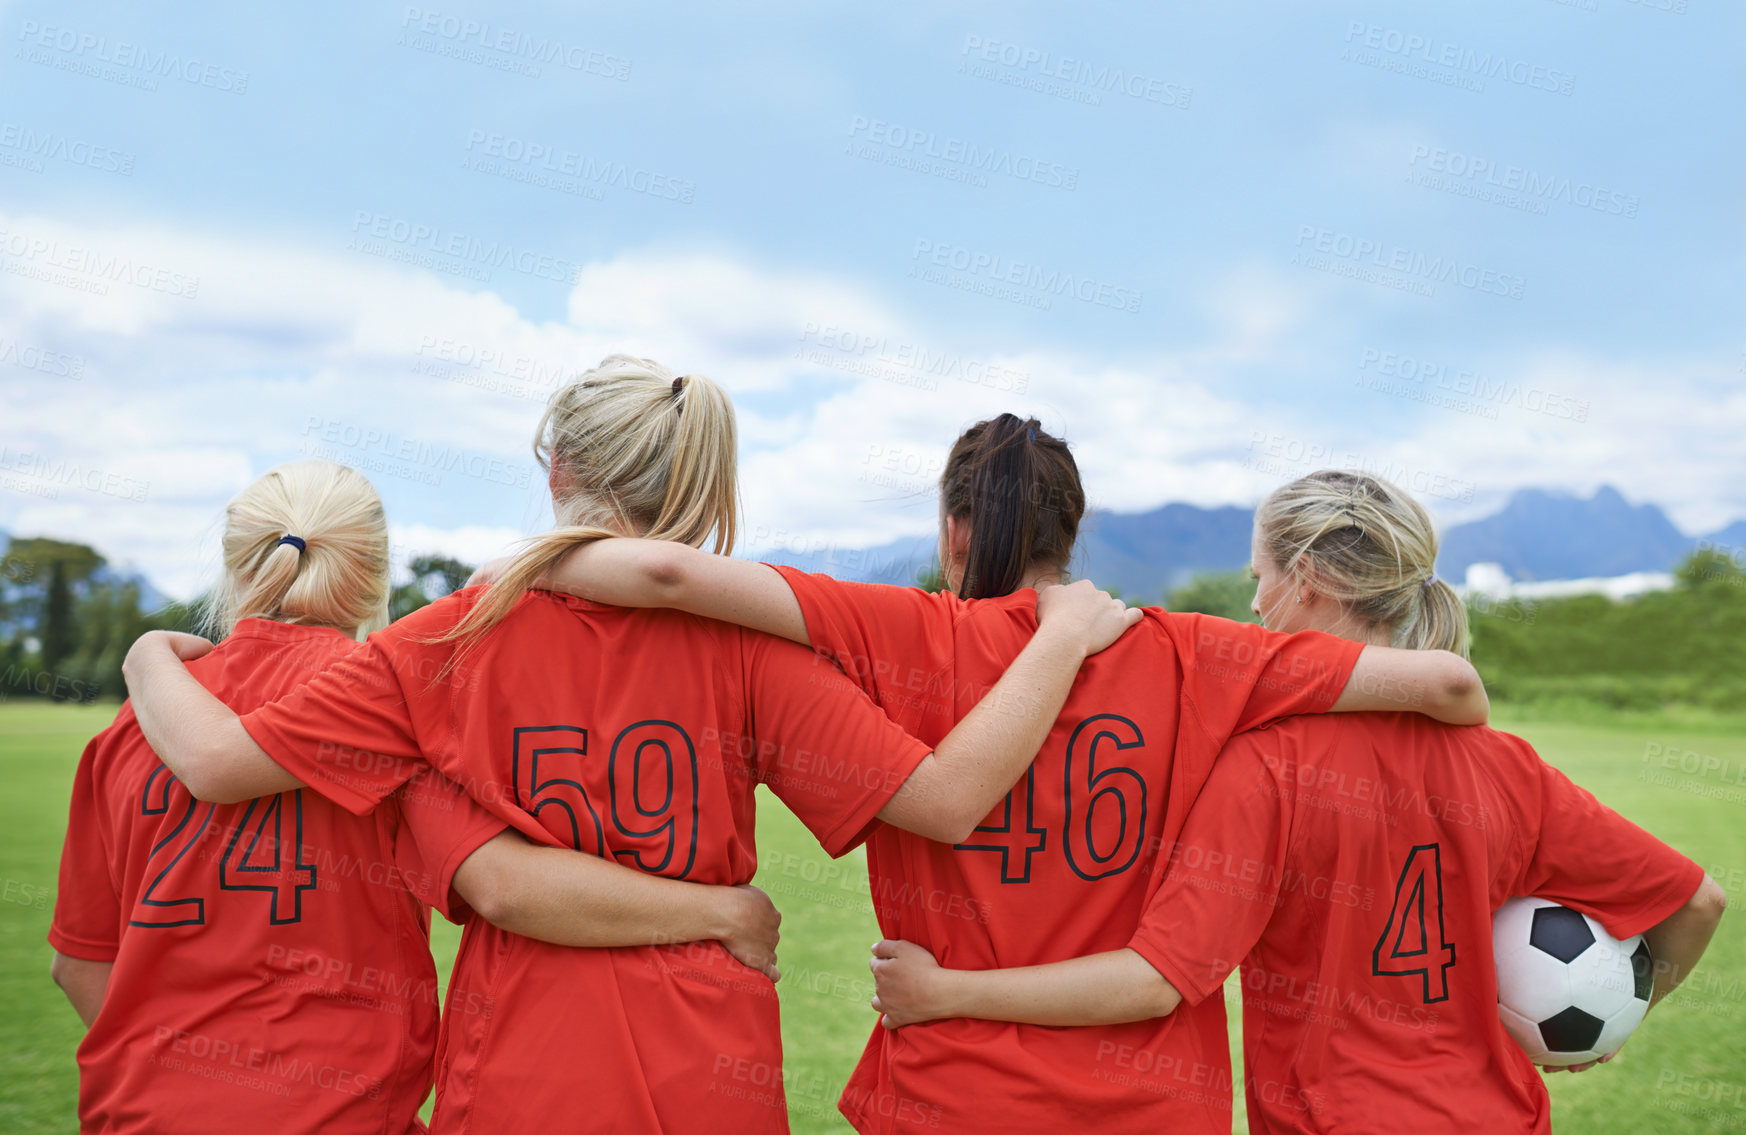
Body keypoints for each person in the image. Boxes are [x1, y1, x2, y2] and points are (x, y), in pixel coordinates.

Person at [117, 361, 1139, 1135]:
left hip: (522, 1066)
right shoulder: (740, 648)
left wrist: (149, 655)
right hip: (709, 1064)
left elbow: (215, 764)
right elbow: (947, 798)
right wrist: (1055, 640)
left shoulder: (443, 638)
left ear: (557, 468)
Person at [500, 416, 1492, 1134]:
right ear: (1074, 525)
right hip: (1152, 1105)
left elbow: (667, 575)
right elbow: (1447, 683)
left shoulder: (893, 630)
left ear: (954, 531)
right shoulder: (1199, 652)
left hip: (951, 1094)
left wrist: (525, 568)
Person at [865, 469, 1728, 1135]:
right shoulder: (1508, 766)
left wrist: (949, 991)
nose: (1251, 603)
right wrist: (1613, 1015)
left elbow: (1155, 979)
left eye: (1259, 576)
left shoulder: (1264, 766)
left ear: (1309, 577)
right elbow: (1696, 901)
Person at [49, 460, 785, 1135]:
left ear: (234, 566)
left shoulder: (129, 728)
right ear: (373, 572)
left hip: (137, 1112)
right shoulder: (391, 703)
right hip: (337, 1112)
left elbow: (80, 965)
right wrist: (721, 909)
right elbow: (502, 883)